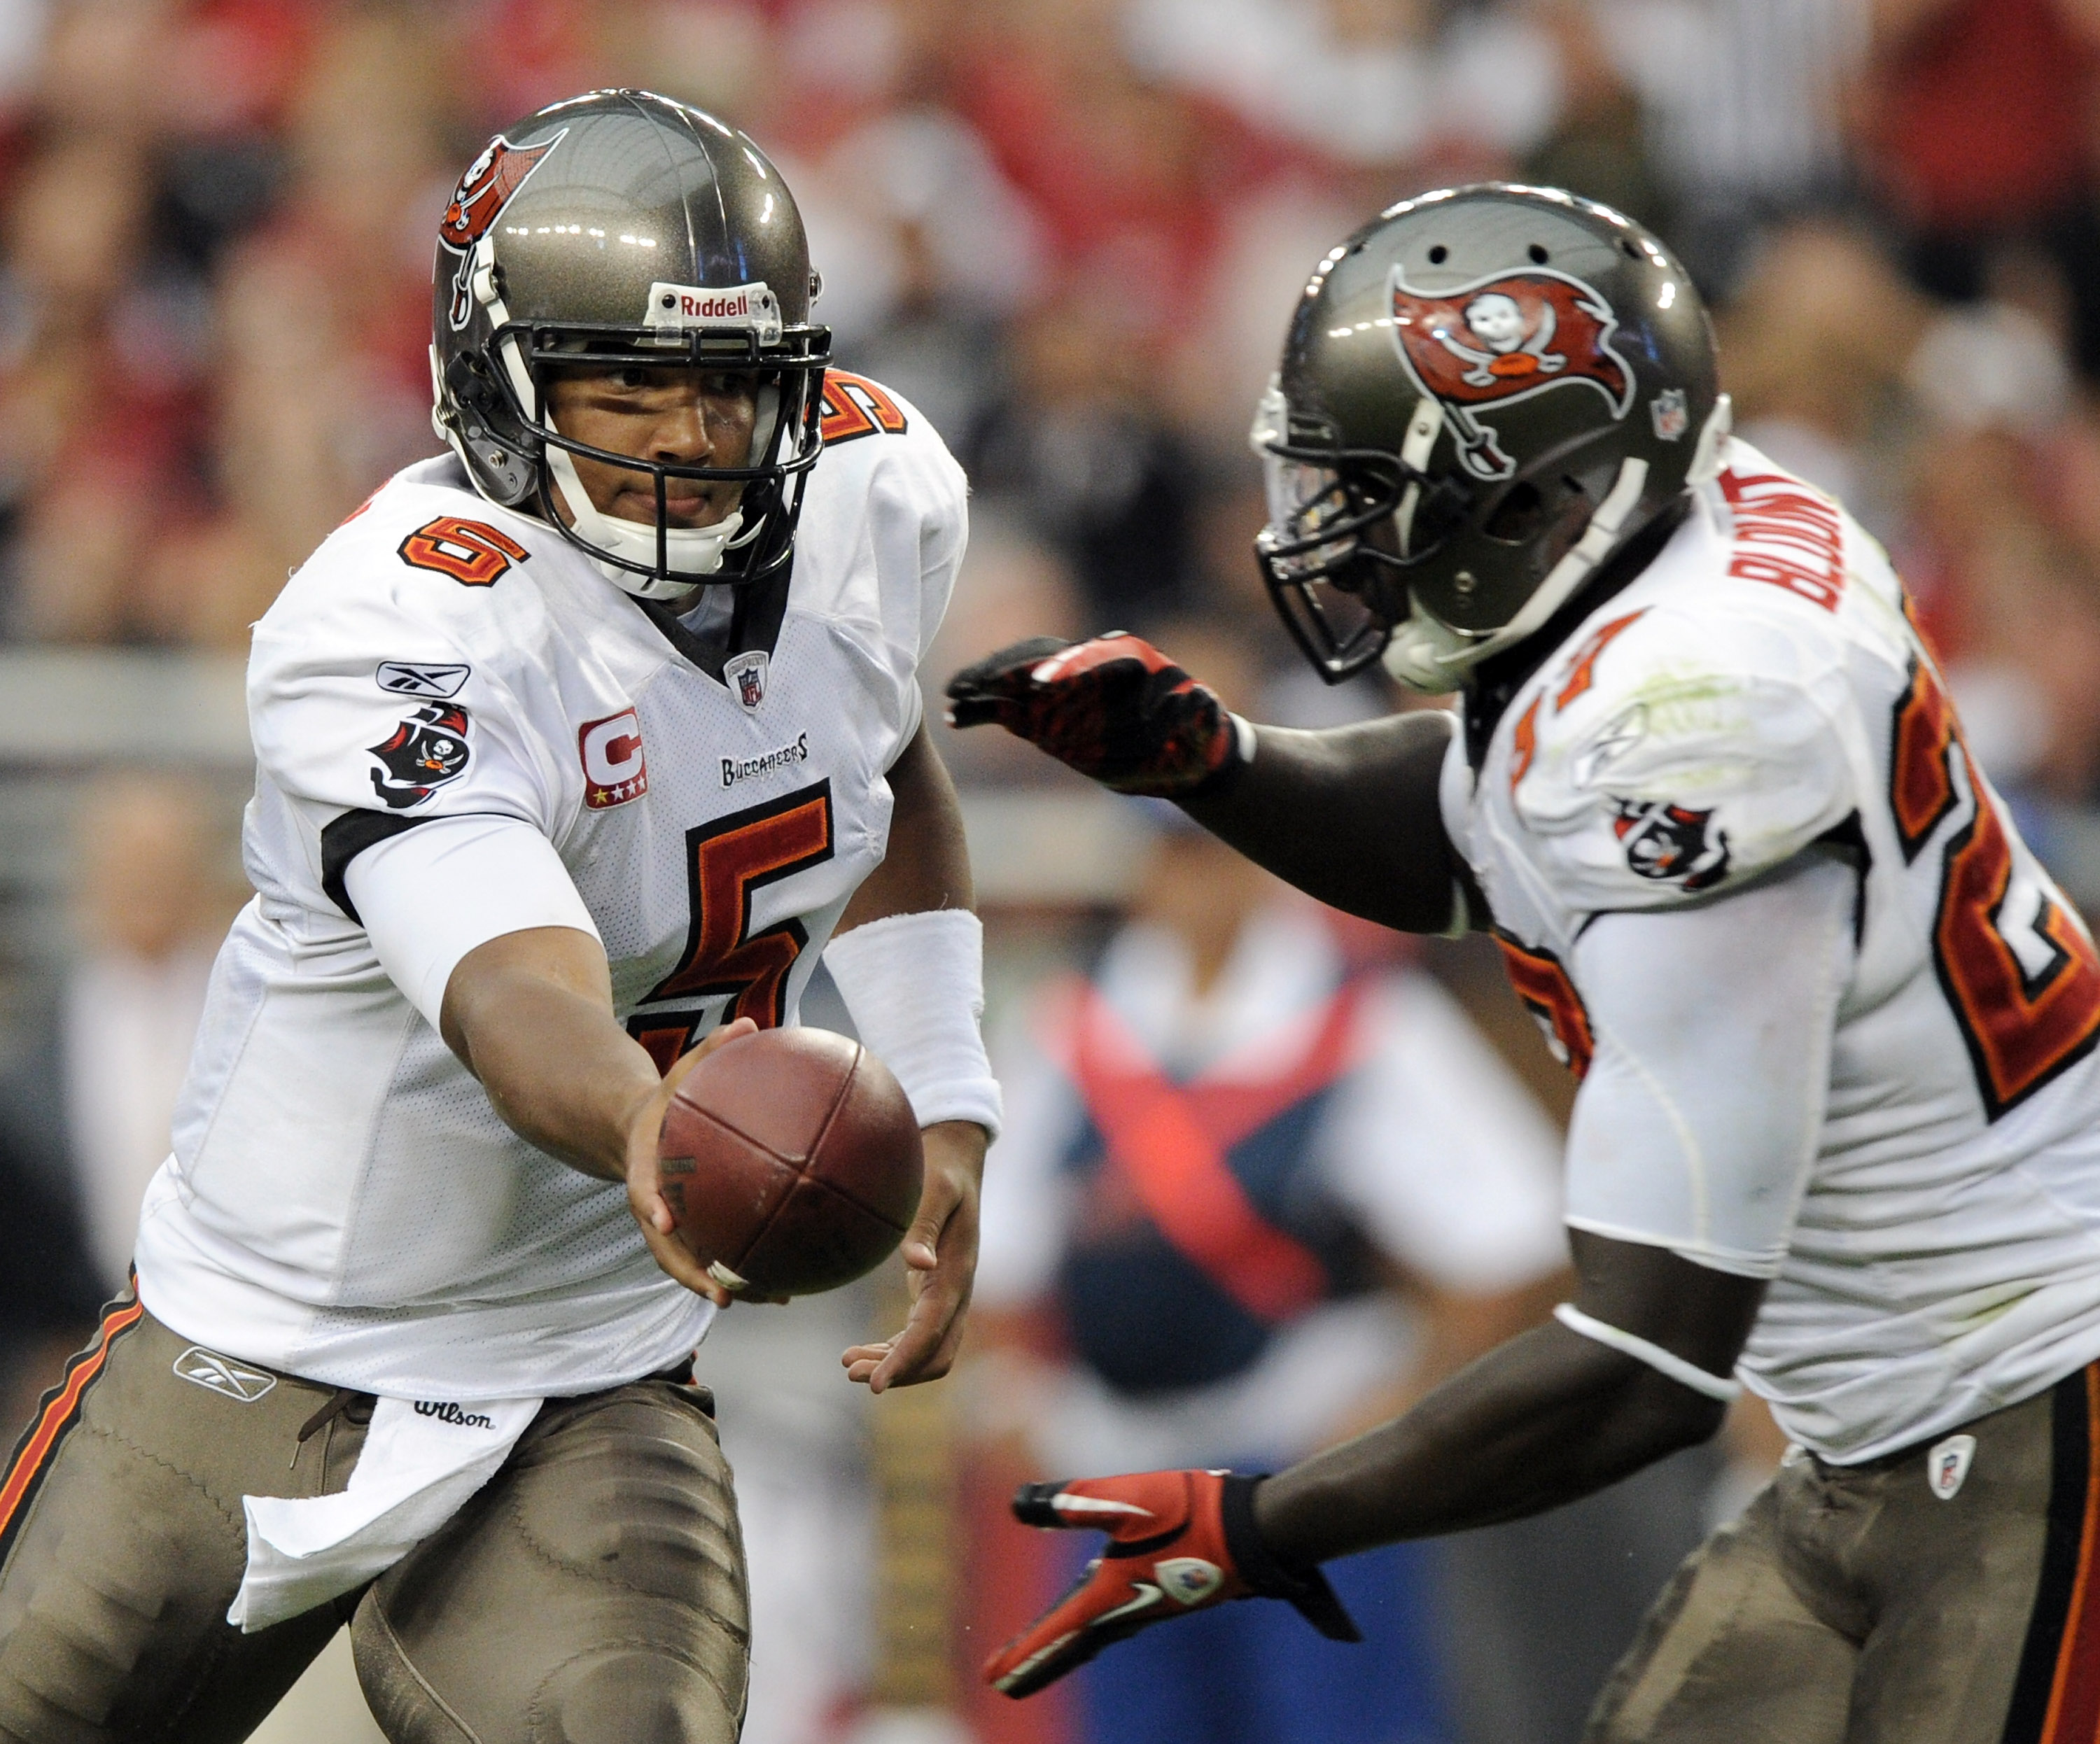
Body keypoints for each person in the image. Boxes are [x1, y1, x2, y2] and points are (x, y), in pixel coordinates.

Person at [947, 182, 2100, 1741]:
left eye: (1372, 490)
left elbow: (1641, 1357)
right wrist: (1216, 764)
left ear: (1529, 494)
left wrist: (1267, 1522)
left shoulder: (1700, 724)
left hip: (2036, 1397)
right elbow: (1483, 823)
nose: (1326, 533)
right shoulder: (1679, 546)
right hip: (1886, 1419)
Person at [0, 91, 999, 1744]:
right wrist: (653, 1120)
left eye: (729, 386)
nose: (686, 435)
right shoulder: (400, 615)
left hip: (587, 1368)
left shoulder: (872, 494)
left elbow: (881, 747)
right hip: (268, 1346)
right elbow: (509, 991)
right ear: (498, 381)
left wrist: (947, 1087)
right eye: (630, 381)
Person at [975, 792, 1564, 1744]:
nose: (1194, 882)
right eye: (1174, 858)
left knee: (1335, 1726)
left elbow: (1510, 1239)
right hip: (1118, 1466)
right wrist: (1014, 1391)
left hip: (1296, 1467)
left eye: (1216, 854)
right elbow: (997, 1246)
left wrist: (1399, 1413)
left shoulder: (1361, 1016)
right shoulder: (1074, 1020)